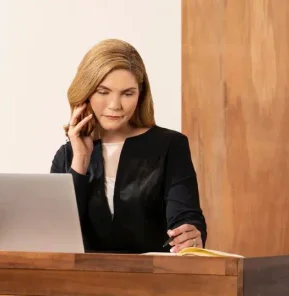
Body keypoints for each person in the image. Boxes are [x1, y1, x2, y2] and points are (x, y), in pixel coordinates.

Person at [50, 39, 206, 254]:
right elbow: (55, 235)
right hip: (82, 282)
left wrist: (192, 237)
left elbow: (186, 219)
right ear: (86, 93)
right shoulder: (67, 155)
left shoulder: (170, 146)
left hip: (151, 280)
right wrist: (81, 162)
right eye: (103, 92)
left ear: (140, 94)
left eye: (127, 93)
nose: (115, 105)